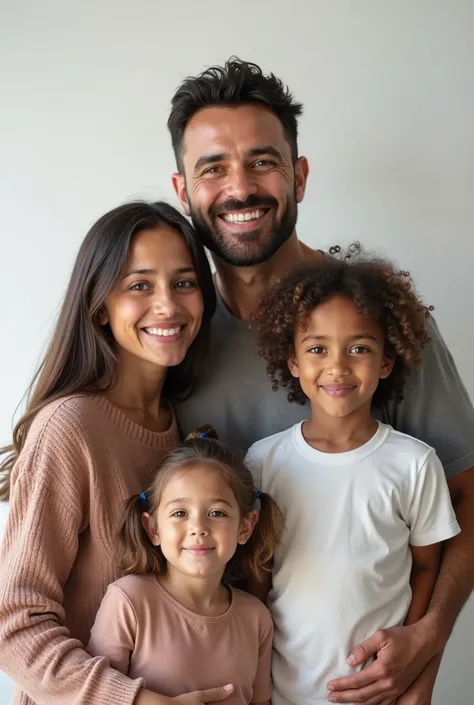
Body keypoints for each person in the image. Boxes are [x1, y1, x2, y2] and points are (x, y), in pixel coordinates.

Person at [167, 58, 474, 704]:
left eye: (263, 161)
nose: (240, 187)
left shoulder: (382, 323)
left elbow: (467, 493)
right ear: (182, 189)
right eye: (213, 168)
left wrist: (427, 639)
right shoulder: (170, 337)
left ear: (299, 176)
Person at [0, 201, 227, 705]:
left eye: (185, 282)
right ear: (101, 305)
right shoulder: (70, 428)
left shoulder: (187, 433)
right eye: (140, 285)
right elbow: (13, 623)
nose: (167, 305)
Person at [244, 251, 460, 705]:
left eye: (359, 348)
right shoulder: (265, 461)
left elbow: (426, 567)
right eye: (317, 348)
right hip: (283, 693)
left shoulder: (415, 464)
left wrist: (409, 654)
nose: (338, 367)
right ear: (293, 362)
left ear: (386, 361)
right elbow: (256, 580)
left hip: (378, 693)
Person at [87, 428, 283, 705]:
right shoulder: (129, 602)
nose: (198, 528)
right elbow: (94, 695)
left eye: (217, 513)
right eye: (180, 513)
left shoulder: (257, 619)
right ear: (152, 528)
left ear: (245, 527)